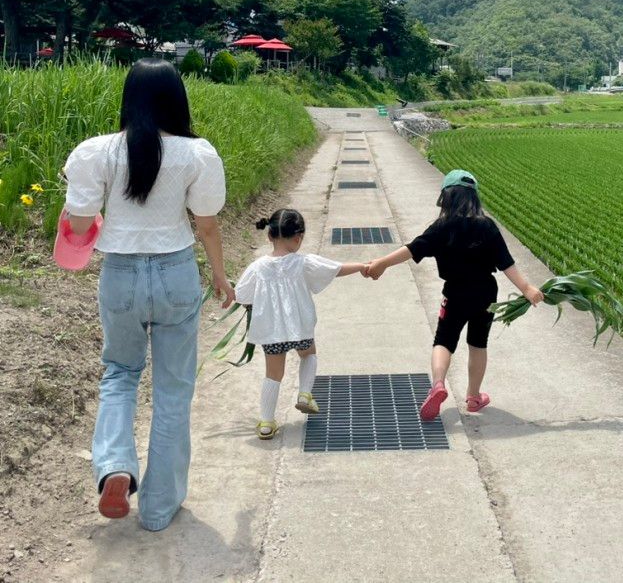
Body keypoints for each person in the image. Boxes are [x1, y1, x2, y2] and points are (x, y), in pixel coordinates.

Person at [63, 58, 234, 531]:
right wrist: (219, 276)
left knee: (119, 373)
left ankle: (116, 465)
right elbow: (207, 224)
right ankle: (159, 508)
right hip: (176, 272)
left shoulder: (96, 152)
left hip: (119, 274)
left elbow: (78, 225)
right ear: (176, 99)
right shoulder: (197, 153)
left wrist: (94, 221)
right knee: (173, 390)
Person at [366, 169, 544, 420]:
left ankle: (438, 384)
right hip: (485, 294)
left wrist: (382, 263)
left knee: (444, 341)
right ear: (475, 198)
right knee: (478, 344)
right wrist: (527, 289)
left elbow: (412, 249)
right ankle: (473, 396)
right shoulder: (487, 226)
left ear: (446, 197)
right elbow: (506, 264)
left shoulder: (442, 226)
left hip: (455, 291)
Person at [234, 209, 368, 440]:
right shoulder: (302, 262)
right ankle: (304, 394)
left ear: (269, 236)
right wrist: (361, 266)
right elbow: (334, 269)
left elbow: (241, 295)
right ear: (298, 238)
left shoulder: (257, 267)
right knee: (308, 354)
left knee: (273, 374)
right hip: (299, 327)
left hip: (272, 332)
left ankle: (266, 423)